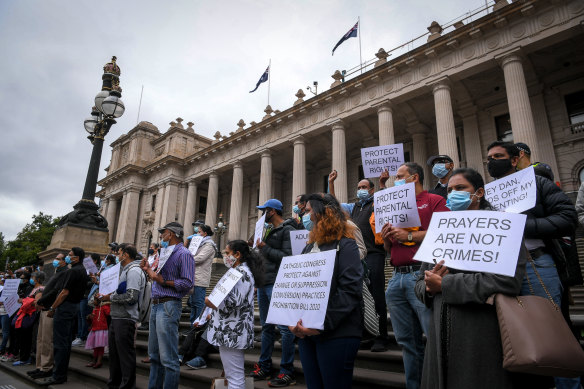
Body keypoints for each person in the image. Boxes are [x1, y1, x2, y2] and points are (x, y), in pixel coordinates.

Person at [414, 167, 532, 389]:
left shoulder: (503, 226)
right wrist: (429, 288)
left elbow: (508, 281)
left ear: (479, 192)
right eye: (449, 190)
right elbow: (420, 283)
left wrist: (446, 284)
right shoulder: (441, 229)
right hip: (440, 339)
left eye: (460, 188)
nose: (452, 194)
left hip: (481, 335)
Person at [487, 141, 579, 389]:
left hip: (536, 266)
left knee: (552, 338)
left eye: (498, 156)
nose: (491, 162)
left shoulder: (539, 184)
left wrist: (521, 225)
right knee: (516, 339)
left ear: (515, 159)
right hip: (502, 273)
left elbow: (568, 218)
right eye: (489, 158)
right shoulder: (486, 195)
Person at [380, 162, 449, 389]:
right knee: (407, 343)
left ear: (414, 178)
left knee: (433, 338)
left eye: (400, 176)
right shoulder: (392, 206)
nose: (396, 180)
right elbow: (389, 249)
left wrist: (410, 236)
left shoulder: (434, 201)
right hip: (396, 278)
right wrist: (389, 237)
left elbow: (445, 232)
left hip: (421, 275)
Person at [289, 193, 362, 389]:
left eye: (308, 211)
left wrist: (321, 323)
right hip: (307, 335)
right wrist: (292, 320)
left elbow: (350, 291)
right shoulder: (307, 248)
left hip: (338, 333)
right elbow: (298, 289)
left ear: (324, 213)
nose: (305, 216)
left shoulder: (346, 245)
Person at [329, 170, 390, 351]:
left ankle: (381, 337)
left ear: (371, 190)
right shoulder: (354, 208)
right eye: (358, 187)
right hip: (357, 257)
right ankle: (368, 333)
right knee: (361, 295)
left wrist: (382, 185)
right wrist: (331, 184)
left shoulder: (376, 203)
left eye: (364, 187)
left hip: (375, 254)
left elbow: (389, 202)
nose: (360, 190)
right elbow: (335, 206)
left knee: (376, 294)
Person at [140, 222, 194, 389]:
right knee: (154, 356)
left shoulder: (184, 254)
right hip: (156, 305)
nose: (161, 236)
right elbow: (156, 277)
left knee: (169, 359)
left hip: (169, 305)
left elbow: (187, 283)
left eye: (163, 233)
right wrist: (148, 270)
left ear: (171, 234)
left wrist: (164, 281)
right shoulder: (163, 253)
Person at [250, 199, 297, 387]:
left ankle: (287, 371)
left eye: (265, 211)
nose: (262, 214)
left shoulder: (288, 230)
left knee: (285, 329)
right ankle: (264, 366)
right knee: (267, 326)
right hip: (264, 282)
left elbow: (289, 257)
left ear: (272, 211)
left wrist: (265, 248)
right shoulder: (267, 231)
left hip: (279, 282)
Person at [206, 239, 264, 389]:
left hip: (232, 330)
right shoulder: (238, 272)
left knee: (235, 378)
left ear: (237, 254)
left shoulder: (242, 274)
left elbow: (232, 303)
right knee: (234, 375)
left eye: (227, 253)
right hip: (230, 329)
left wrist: (211, 302)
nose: (225, 256)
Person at [42, 247, 90, 386]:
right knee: (66, 343)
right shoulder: (82, 271)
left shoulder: (73, 271)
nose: (68, 257)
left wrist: (52, 307)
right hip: (74, 307)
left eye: (70, 255)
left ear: (77, 258)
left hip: (65, 307)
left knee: (60, 343)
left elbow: (64, 292)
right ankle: (60, 373)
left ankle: (58, 375)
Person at [101, 244, 146, 389]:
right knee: (114, 356)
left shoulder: (133, 271)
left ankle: (127, 386)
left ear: (125, 255)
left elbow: (132, 297)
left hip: (126, 319)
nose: (117, 255)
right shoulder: (123, 271)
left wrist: (110, 298)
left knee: (125, 356)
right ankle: (114, 384)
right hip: (117, 317)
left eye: (118, 253)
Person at [30, 254, 68, 380]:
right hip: (44, 309)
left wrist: (40, 301)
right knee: (40, 339)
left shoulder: (64, 273)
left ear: (64, 261)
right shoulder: (57, 272)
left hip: (49, 309)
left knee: (47, 340)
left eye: (58, 258)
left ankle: (46, 367)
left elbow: (55, 291)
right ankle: (39, 366)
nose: (55, 260)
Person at [12, 271, 45, 366]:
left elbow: (36, 302)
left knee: (28, 338)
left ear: (38, 279)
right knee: (24, 338)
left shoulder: (40, 289)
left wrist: (25, 300)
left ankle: (26, 358)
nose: (31, 279)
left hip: (32, 316)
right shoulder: (32, 288)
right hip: (26, 315)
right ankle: (24, 357)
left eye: (33, 277)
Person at [186, 224, 216, 324]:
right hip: (193, 277)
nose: (196, 234)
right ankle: (192, 325)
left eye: (199, 232)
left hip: (200, 279)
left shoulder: (209, 245)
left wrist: (186, 260)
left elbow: (200, 258)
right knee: (193, 303)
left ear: (205, 233)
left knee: (198, 304)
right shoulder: (199, 244)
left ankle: (198, 325)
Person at [84, 294, 110, 369]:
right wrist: (89, 318)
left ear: (99, 301)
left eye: (95, 300)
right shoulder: (95, 309)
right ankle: (94, 361)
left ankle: (99, 361)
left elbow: (108, 313)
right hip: (95, 329)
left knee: (100, 346)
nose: (93, 301)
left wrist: (107, 304)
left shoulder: (104, 307)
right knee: (95, 346)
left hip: (101, 329)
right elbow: (92, 321)